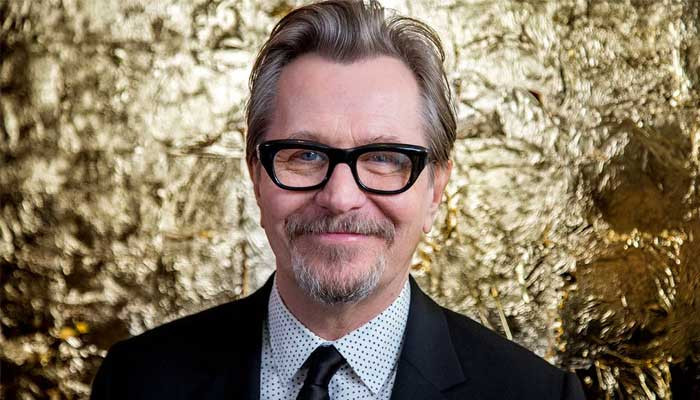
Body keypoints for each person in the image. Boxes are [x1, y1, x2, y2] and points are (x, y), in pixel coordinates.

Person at [91, 1, 586, 399]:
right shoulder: (137, 381)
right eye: (305, 154)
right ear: (256, 177)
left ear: (436, 190)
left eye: (385, 158)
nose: (340, 197)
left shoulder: (537, 395)